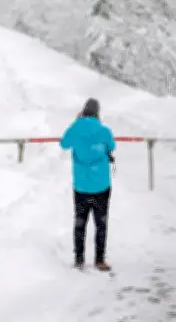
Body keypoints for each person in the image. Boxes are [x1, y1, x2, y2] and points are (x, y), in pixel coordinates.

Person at [59, 98, 116, 271]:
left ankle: (79, 259)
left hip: (81, 186)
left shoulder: (76, 129)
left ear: (83, 111)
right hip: (101, 185)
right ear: (98, 112)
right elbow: (112, 146)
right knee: (101, 223)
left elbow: (64, 143)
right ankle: (99, 259)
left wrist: (76, 123)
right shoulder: (104, 130)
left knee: (80, 222)